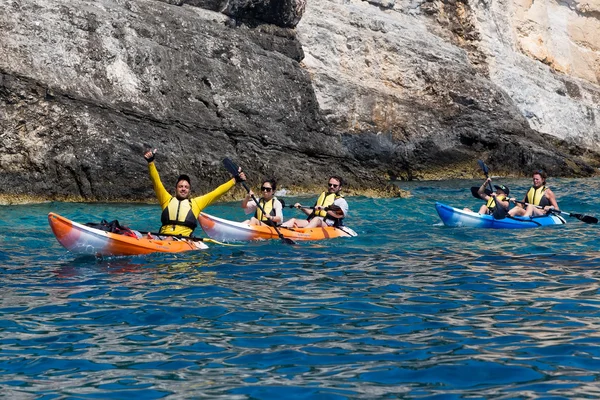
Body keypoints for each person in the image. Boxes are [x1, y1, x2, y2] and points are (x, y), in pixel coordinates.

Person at [143, 149, 246, 238]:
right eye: (181, 186)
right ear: (176, 189)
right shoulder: (166, 199)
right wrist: (151, 163)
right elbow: (156, 182)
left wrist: (234, 181)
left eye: (186, 187)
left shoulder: (196, 203)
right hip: (162, 237)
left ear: (189, 190)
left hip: (183, 240)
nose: (183, 189)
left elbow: (216, 193)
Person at [281, 176, 348, 228]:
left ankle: (302, 233)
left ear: (340, 188)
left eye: (335, 185)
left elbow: (340, 215)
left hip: (329, 224)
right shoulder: (323, 196)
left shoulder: (341, 201)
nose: (331, 187)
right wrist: (301, 208)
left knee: (316, 220)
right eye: (330, 185)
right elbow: (313, 213)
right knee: (293, 220)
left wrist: (324, 209)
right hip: (314, 221)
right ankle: (280, 228)